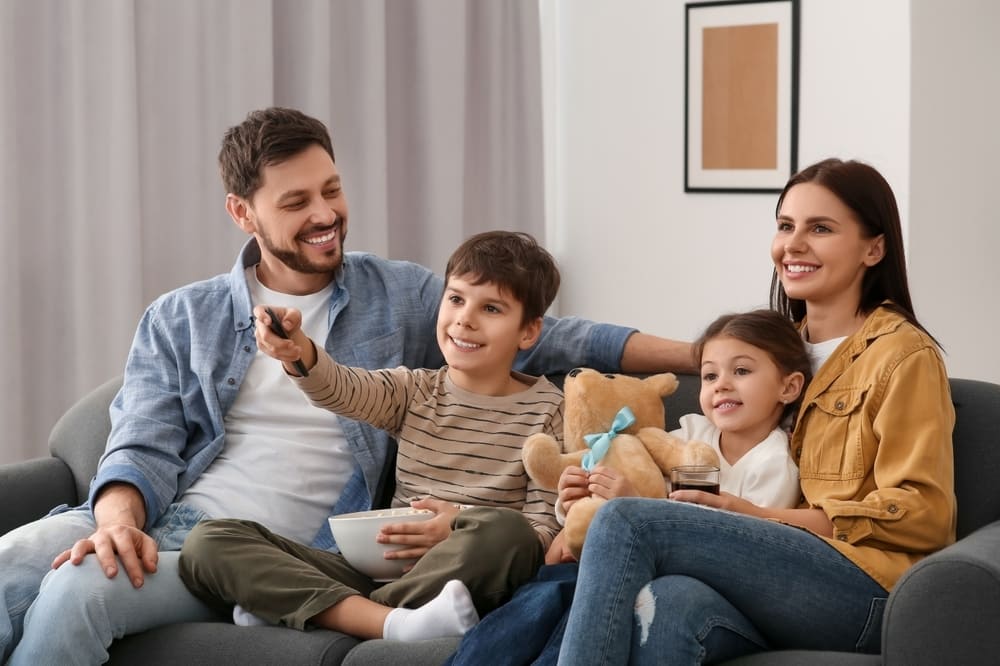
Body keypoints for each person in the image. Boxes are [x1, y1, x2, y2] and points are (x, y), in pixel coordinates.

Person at [0, 107, 694, 665]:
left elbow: (557, 335)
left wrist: (700, 355)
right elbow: (139, 442)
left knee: (73, 596)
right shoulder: (184, 315)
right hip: (164, 523)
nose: (326, 214)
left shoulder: (401, 295)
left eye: (332, 189)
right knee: (10, 569)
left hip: (288, 549)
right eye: (297, 201)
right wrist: (117, 523)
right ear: (244, 214)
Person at [556, 158, 956, 665]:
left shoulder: (902, 356)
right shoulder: (765, 354)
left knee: (626, 523)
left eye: (821, 228)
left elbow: (925, 514)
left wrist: (762, 519)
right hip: (770, 577)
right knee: (673, 605)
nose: (793, 244)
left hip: (865, 587)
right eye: (786, 226)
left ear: (873, 248)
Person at [177, 230, 565, 641]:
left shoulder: (549, 410)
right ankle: (388, 620)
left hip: (468, 567)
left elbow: (542, 533)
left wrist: (459, 525)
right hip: (372, 571)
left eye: (491, 308)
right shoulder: (414, 391)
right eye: (455, 299)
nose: (464, 318)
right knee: (208, 542)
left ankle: (316, 611)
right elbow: (343, 388)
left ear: (528, 332)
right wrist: (300, 352)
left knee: (509, 534)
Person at [445, 308, 811, 665]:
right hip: (618, 564)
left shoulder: (774, 462)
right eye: (710, 376)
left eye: (742, 371)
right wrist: (576, 500)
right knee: (539, 600)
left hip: (688, 584)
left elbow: (737, 551)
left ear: (788, 386)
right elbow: (631, 472)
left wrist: (635, 507)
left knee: (569, 605)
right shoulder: (689, 433)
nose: (722, 385)